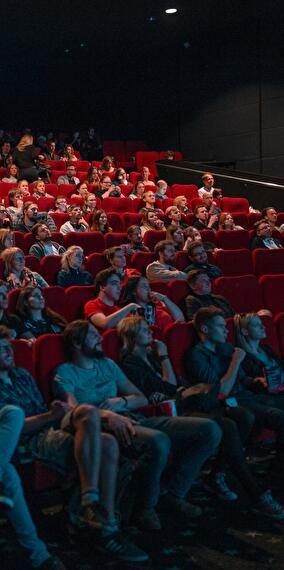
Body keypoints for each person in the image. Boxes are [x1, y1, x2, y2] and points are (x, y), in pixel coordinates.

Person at [53, 320, 221, 527]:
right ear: (77, 343)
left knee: (209, 430)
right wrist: (107, 414)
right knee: (159, 440)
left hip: (135, 417)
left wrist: (120, 401)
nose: (100, 338)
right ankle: (146, 507)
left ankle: (173, 493)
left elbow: (141, 398)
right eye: (93, 335)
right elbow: (74, 411)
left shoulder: (108, 364)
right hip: (106, 428)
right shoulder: (65, 372)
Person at [0, 326, 147, 563]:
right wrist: (49, 416)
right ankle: (104, 525)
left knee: (96, 425)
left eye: (10, 347)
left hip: (50, 425)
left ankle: (96, 511)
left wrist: (55, 413)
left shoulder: (22, 375)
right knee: (104, 438)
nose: (10, 352)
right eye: (3, 349)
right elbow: (12, 428)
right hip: (29, 439)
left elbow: (44, 411)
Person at [187, 307, 284, 476]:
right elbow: (221, 390)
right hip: (229, 402)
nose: (226, 330)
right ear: (204, 329)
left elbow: (244, 380)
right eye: (220, 326)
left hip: (247, 396)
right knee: (278, 416)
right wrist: (236, 361)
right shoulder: (197, 355)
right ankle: (277, 469)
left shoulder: (225, 348)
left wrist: (259, 382)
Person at [0, 404, 65, 568]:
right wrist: (50, 416)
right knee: (8, 473)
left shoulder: (22, 377)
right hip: (20, 441)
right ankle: (39, 556)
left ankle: (39, 556)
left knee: (14, 413)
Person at [234, 313, 284, 398]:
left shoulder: (266, 348)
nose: (263, 327)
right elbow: (250, 384)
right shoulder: (243, 356)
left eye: (262, 324)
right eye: (257, 325)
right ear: (245, 331)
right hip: (271, 397)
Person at [120, 275, 184, 328]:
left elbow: (180, 320)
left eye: (148, 286)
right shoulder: (127, 312)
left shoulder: (158, 309)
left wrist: (164, 298)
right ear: (133, 291)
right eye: (144, 286)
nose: (148, 289)